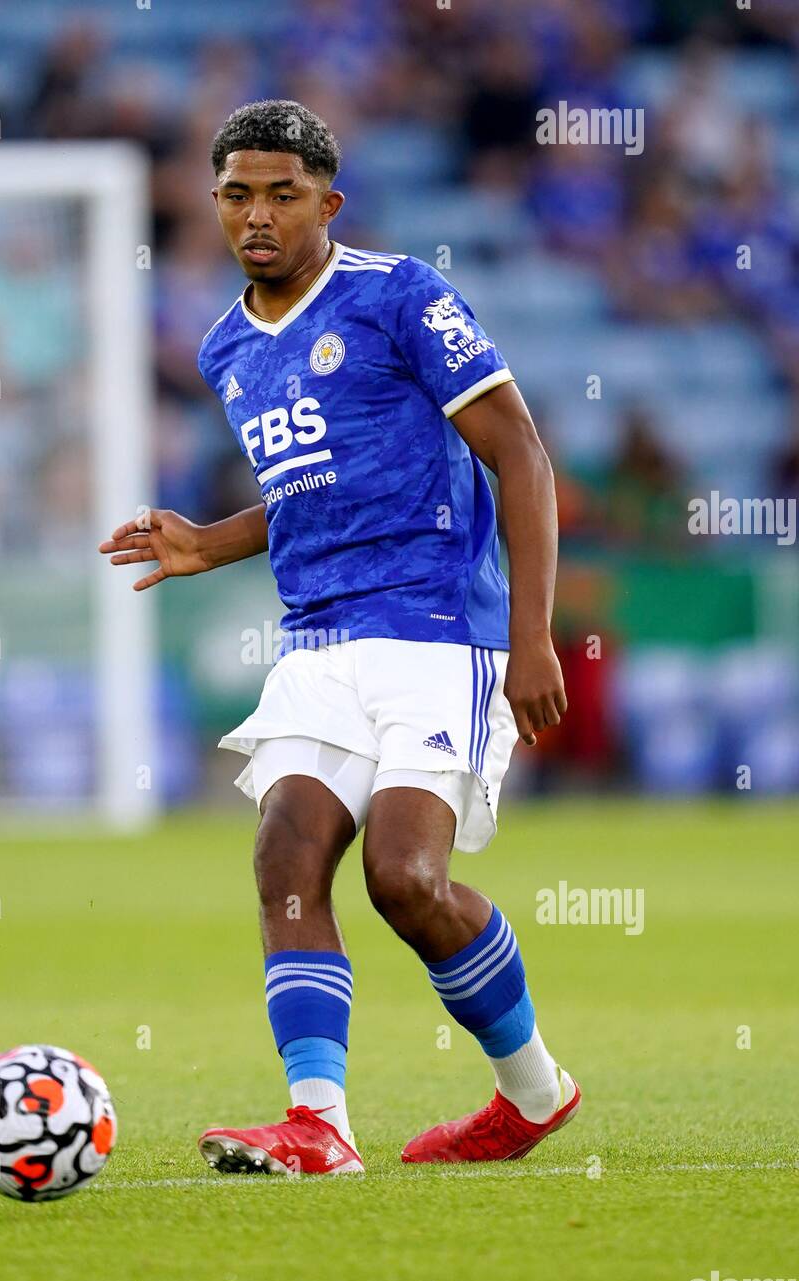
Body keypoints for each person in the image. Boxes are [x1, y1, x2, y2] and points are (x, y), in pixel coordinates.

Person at [100, 100, 578, 1174]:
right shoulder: (227, 346)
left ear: (329, 200)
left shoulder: (399, 294)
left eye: (281, 193)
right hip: (316, 641)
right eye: (235, 195)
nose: (256, 216)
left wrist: (535, 637)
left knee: (406, 880)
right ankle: (320, 1124)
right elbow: (320, 492)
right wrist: (207, 542)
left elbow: (524, 453)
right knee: (286, 856)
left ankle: (534, 1091)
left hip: (437, 630)